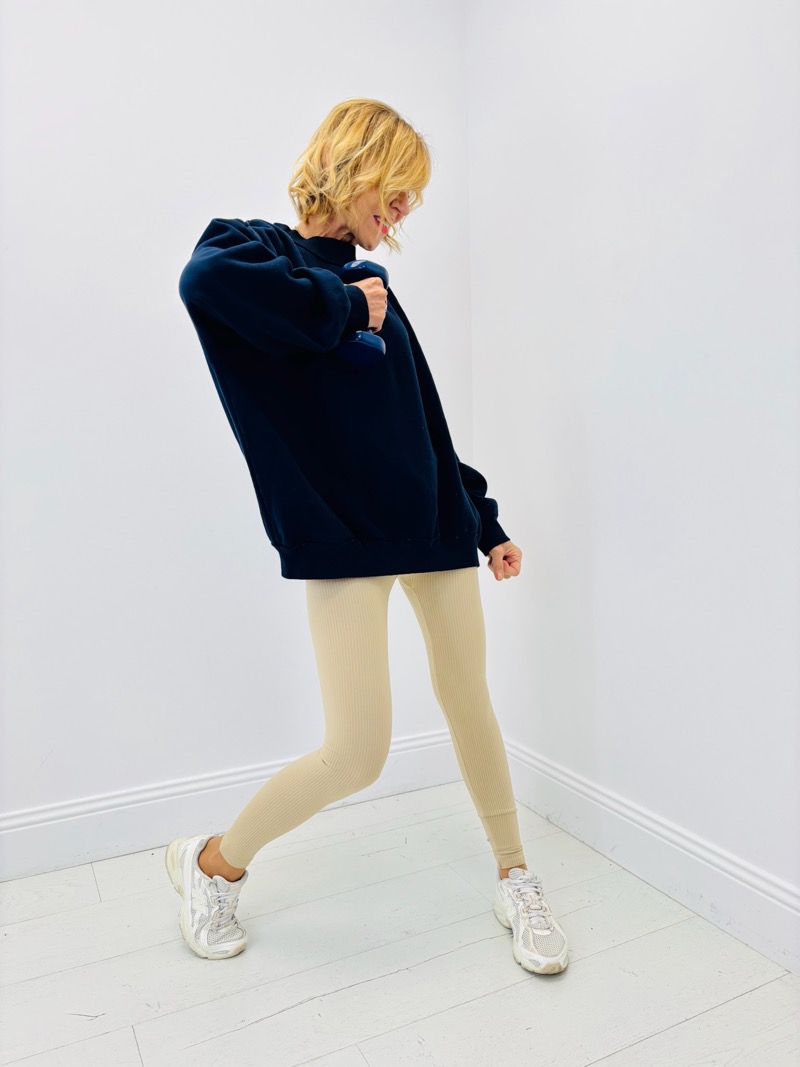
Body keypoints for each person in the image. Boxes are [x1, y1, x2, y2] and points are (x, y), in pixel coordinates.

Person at [166, 98, 569, 975]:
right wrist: (345, 304)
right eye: (399, 189)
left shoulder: (380, 289)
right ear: (356, 165)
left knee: (470, 700)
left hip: (434, 525)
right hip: (342, 535)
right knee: (356, 751)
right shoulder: (250, 251)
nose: (407, 210)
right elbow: (204, 286)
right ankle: (212, 863)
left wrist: (483, 518)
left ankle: (516, 875)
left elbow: (422, 422)